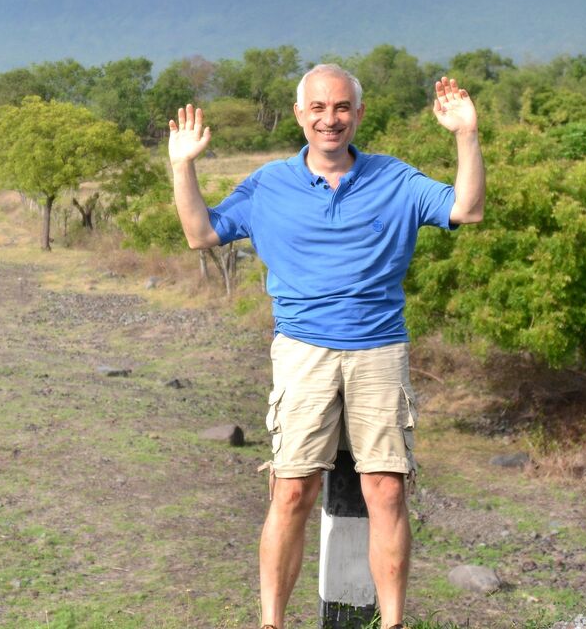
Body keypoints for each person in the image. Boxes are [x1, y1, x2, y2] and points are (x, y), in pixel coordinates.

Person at [168, 63, 485, 629]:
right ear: (299, 114)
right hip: (303, 352)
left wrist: (466, 133)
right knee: (291, 490)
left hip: (379, 350)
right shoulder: (268, 184)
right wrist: (181, 166)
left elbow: (467, 208)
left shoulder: (396, 180)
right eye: (318, 108)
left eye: (341, 108)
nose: (329, 119)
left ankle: (392, 623)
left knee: (386, 489)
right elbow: (201, 232)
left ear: (359, 115)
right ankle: (272, 622)